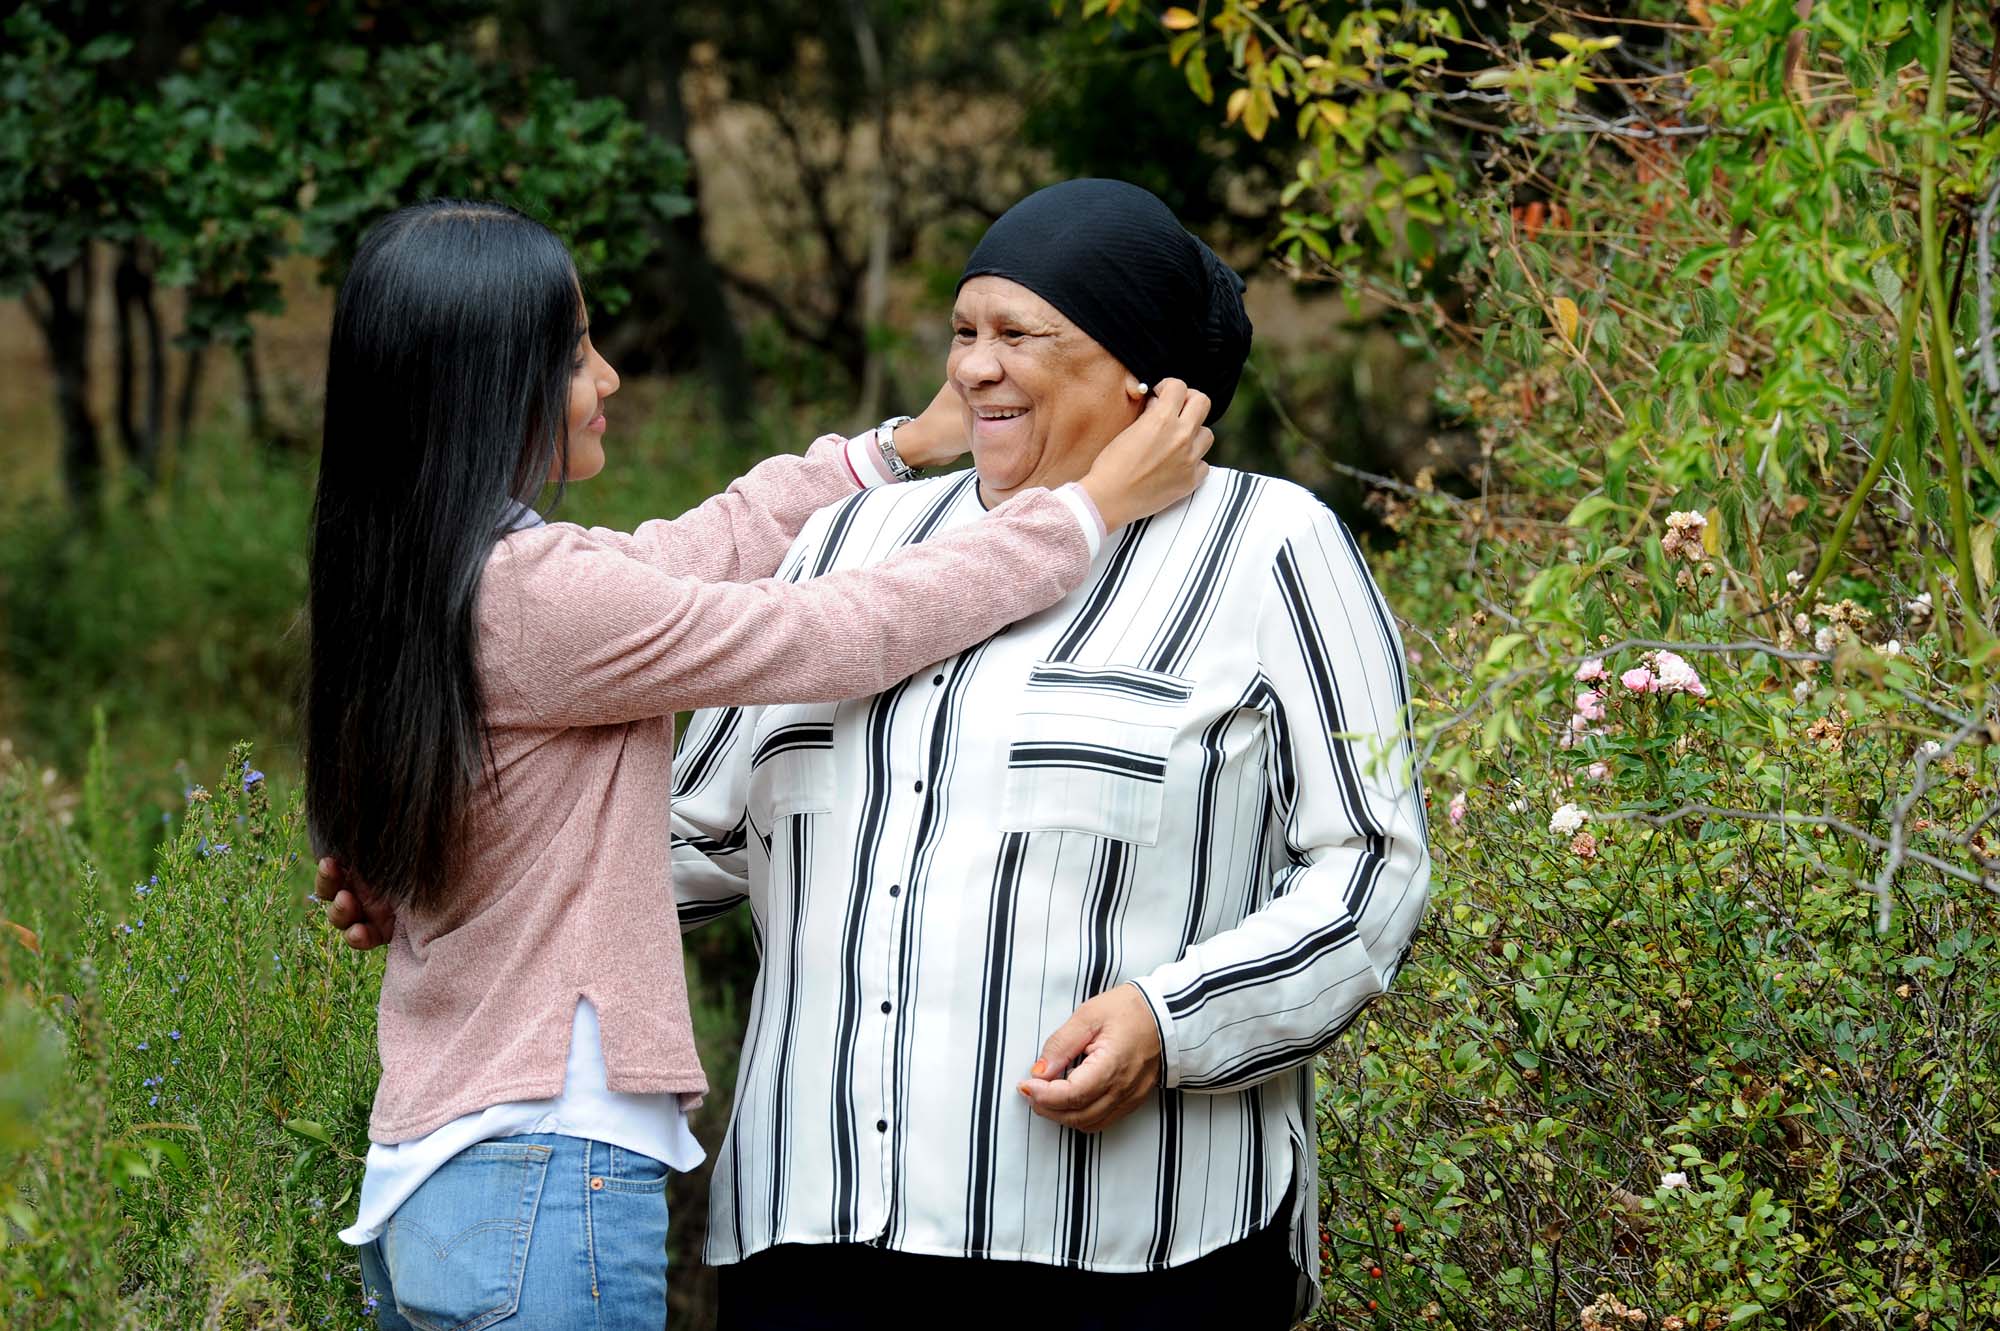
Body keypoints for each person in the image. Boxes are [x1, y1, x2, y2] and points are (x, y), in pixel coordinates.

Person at [305, 197, 1213, 1331]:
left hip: (438, 1183)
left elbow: (690, 551)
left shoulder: (422, 575)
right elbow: (835, 629)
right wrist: (1084, 514)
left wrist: (893, 450)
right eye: (577, 349)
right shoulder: (539, 600)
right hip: (540, 1171)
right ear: (492, 382)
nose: (611, 376)